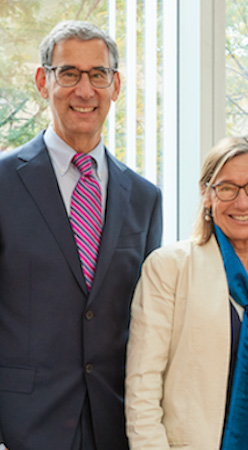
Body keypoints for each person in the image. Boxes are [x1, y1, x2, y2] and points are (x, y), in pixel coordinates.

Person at [0, 20, 162, 450]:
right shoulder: (1, 184)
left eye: (98, 75)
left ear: (116, 85)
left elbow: (148, 329)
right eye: (69, 73)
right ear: (43, 81)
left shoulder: (145, 199)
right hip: (22, 429)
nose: (85, 90)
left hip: (114, 426)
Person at [125, 136, 248, 449]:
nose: (243, 201)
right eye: (227, 188)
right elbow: (143, 386)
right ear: (206, 194)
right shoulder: (169, 267)